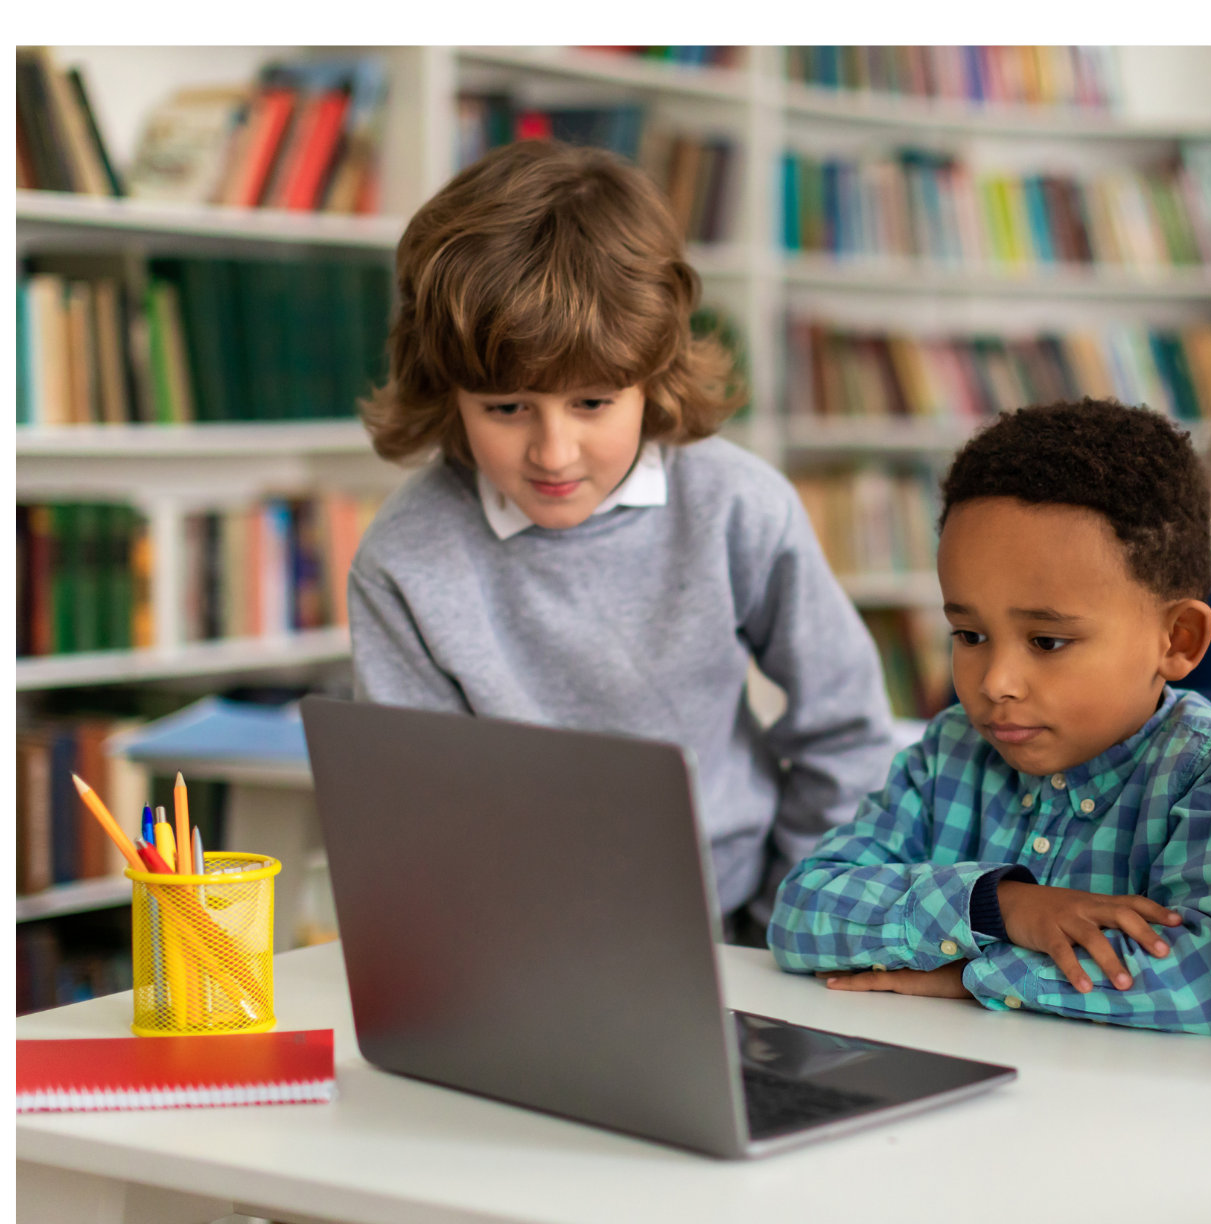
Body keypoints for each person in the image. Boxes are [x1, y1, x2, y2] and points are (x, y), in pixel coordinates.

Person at [349, 140, 897, 940]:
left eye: (594, 403)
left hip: (741, 925)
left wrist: (793, 918)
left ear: (654, 375)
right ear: (449, 391)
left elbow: (845, 733)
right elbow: (415, 817)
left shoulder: (738, 505)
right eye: (507, 408)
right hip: (515, 943)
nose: (553, 452)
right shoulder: (404, 560)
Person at [770, 400, 1211, 1034]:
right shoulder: (950, 752)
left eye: (1046, 642)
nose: (994, 683)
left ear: (1176, 640)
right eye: (968, 634)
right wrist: (998, 905)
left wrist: (970, 976)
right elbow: (801, 911)